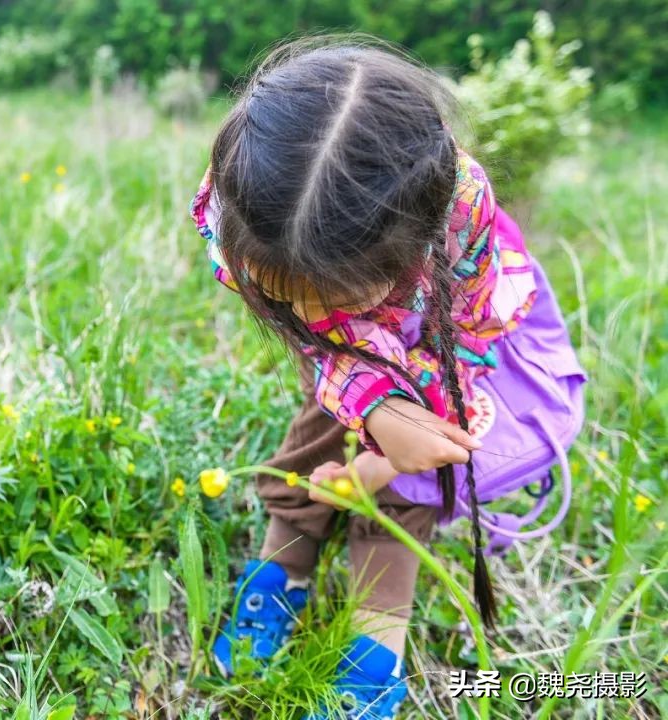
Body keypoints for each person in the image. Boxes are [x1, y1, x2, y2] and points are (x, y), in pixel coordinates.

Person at [189, 38, 586, 718]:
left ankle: (377, 654)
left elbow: (457, 381)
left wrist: (379, 463)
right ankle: (281, 571)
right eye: (286, 291)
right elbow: (317, 344)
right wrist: (366, 408)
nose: (311, 313)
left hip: (449, 342)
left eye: (337, 293)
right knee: (319, 434)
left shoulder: (459, 235)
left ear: (407, 249)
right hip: (372, 336)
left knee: (408, 488)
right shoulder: (241, 218)